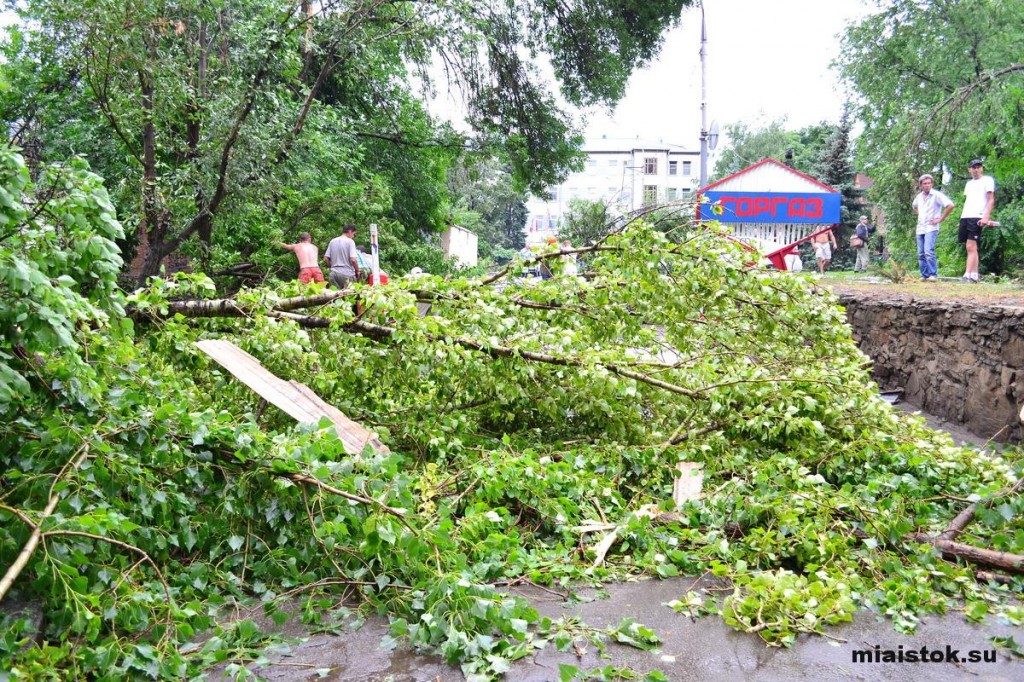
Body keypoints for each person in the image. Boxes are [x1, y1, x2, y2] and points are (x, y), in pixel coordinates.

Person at [911, 174, 955, 282]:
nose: (927, 185)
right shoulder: (919, 197)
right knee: (921, 253)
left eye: (929, 183)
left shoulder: (936, 195)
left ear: (932, 184)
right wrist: (920, 215)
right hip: (920, 227)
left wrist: (941, 218)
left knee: (928, 251)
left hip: (931, 227)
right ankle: (924, 275)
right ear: (921, 185)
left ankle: (933, 274)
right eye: (925, 183)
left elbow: (950, 205)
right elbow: (914, 206)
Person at [958, 159, 996, 283]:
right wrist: (962, 218)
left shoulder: (987, 180)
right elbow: (969, 200)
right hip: (966, 216)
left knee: (971, 245)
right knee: (970, 246)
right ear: (969, 169)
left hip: (977, 216)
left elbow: (990, 199)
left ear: (982, 168)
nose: (976, 169)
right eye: (973, 167)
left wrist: (985, 217)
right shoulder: (969, 184)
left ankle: (967, 275)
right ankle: (974, 275)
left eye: (978, 167)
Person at [323, 224, 360, 289]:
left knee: (335, 297)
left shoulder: (332, 241)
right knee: (349, 297)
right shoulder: (350, 242)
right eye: (354, 234)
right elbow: (353, 260)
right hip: (347, 274)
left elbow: (326, 259)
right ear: (350, 231)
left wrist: (332, 267)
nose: (353, 236)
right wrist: (357, 271)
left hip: (333, 274)